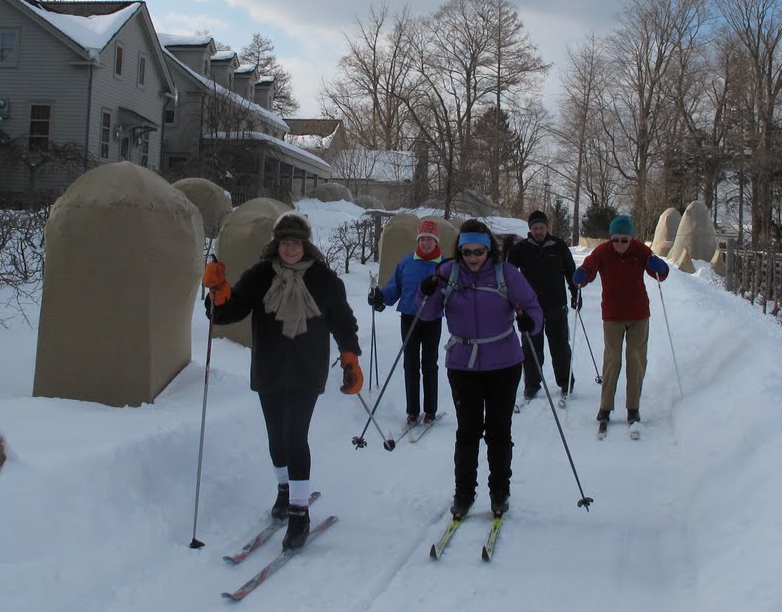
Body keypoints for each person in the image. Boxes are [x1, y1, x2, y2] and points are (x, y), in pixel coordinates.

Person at [202, 211, 362, 549]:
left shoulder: (324, 279)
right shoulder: (260, 275)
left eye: (296, 242)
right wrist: (218, 289)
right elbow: (229, 312)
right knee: (276, 437)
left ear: (306, 245)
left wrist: (350, 357)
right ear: (277, 244)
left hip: (307, 368)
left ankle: (299, 514)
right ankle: (284, 489)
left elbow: (343, 321)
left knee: (294, 436)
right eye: (285, 242)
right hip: (270, 366)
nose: (290, 248)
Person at [417, 218, 543, 518]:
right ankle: (464, 493)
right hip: (462, 364)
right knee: (467, 431)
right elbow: (426, 315)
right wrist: (427, 292)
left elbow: (534, 309)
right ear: (459, 251)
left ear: (489, 251)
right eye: (467, 252)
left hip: (504, 363)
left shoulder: (507, 275)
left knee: (499, 431)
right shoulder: (447, 274)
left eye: (478, 252)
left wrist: (530, 322)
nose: (472, 258)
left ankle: (499, 491)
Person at [572, 213, 668, 433]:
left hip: (638, 314)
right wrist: (581, 275)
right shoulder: (602, 252)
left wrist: (660, 267)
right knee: (612, 359)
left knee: (636, 360)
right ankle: (605, 407)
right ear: (611, 238)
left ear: (631, 239)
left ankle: (633, 407)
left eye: (624, 240)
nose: (620, 244)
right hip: (613, 315)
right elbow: (589, 269)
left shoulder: (641, 251)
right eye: (616, 239)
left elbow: (660, 275)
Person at [368, 217, 444, 425]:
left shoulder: (444, 265)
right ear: (417, 241)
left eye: (430, 239)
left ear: (436, 241)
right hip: (409, 317)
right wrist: (381, 296)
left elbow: (452, 295)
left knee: (429, 364)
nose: (425, 243)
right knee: (410, 364)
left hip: (432, 320)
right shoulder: (406, 262)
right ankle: (412, 411)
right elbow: (395, 288)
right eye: (422, 239)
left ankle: (430, 410)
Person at [506, 208, 579, 402]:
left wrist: (575, 294)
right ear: (531, 229)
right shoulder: (520, 248)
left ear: (547, 228)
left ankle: (566, 383)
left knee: (560, 346)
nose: (539, 231)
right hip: (529, 308)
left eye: (542, 227)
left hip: (556, 305)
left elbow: (571, 273)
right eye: (536, 227)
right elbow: (509, 275)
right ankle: (531, 384)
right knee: (530, 349)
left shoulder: (559, 246)